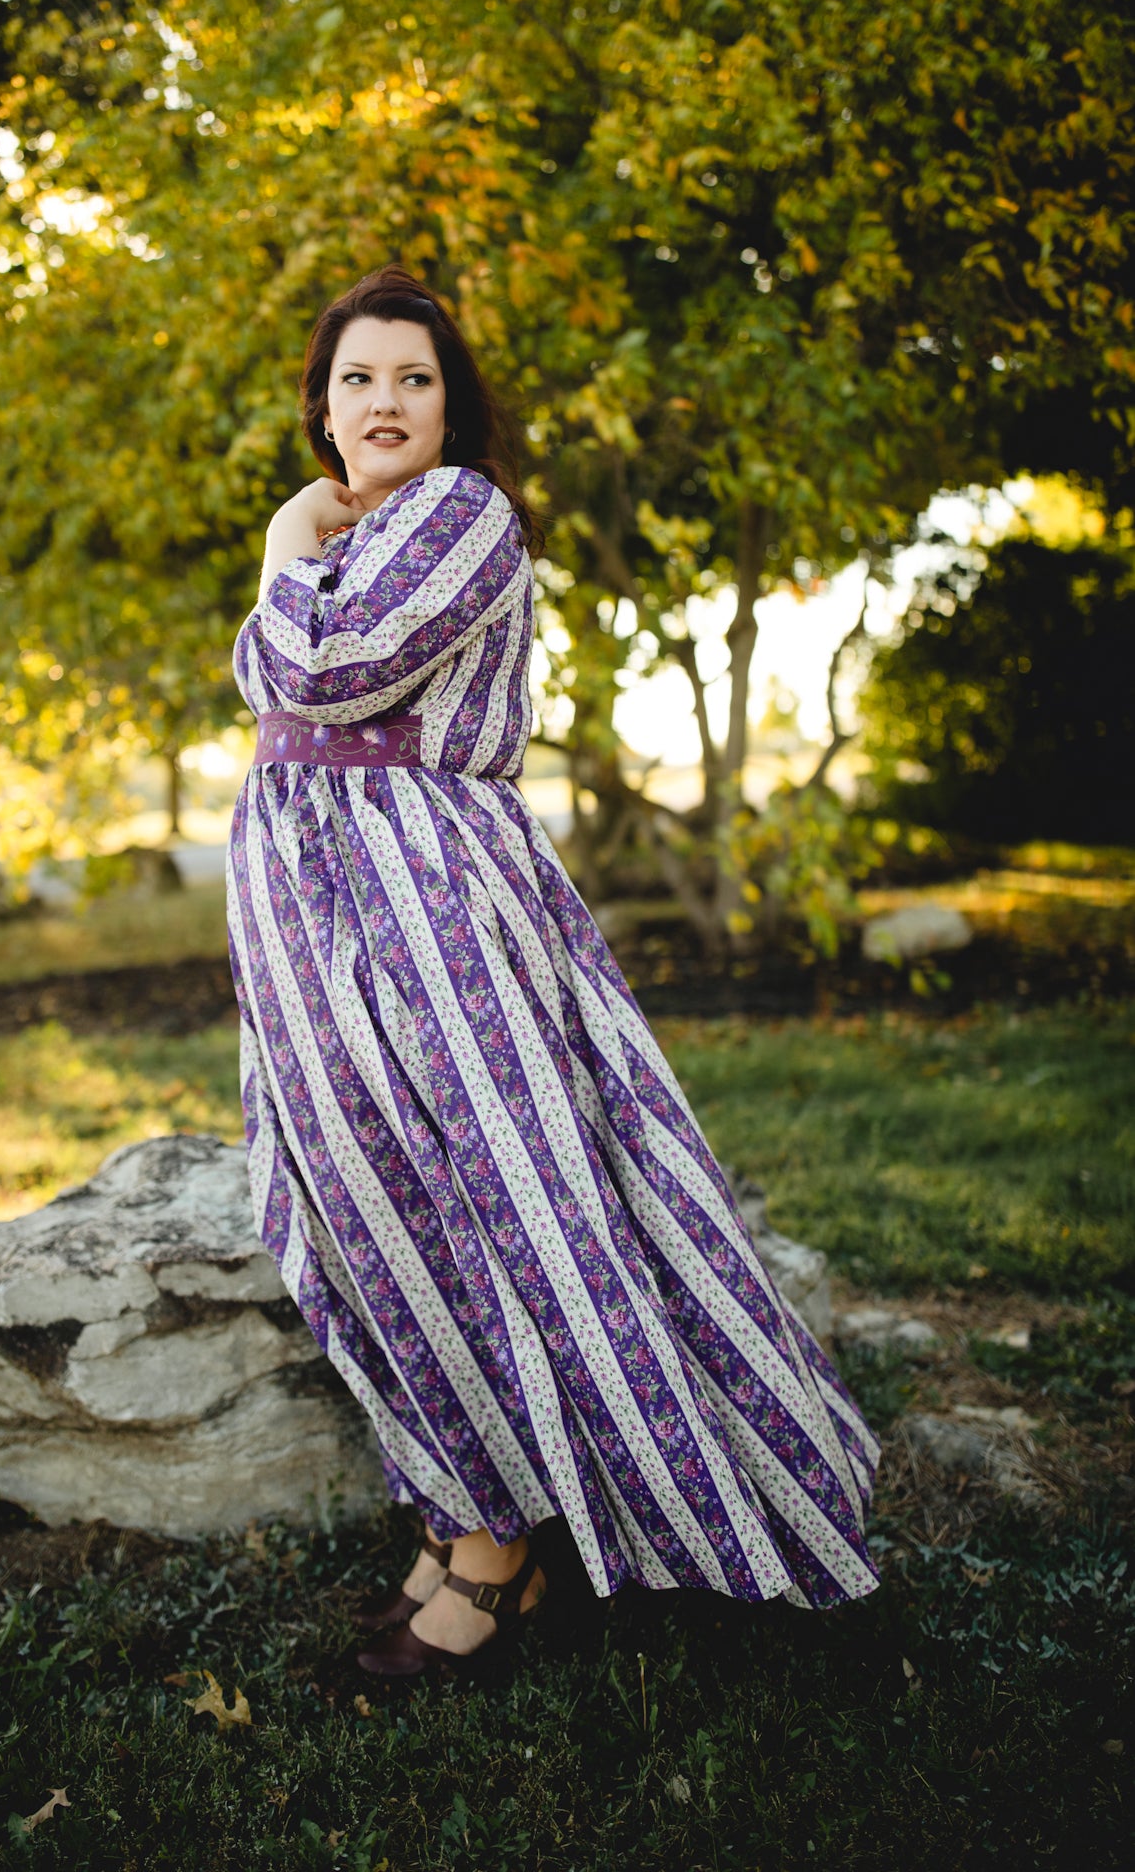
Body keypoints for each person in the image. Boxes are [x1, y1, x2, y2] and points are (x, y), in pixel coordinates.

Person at [225, 266, 879, 1681]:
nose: (384, 402)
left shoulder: (460, 516)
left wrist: (284, 546)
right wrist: (297, 581)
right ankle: (468, 1511)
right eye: (357, 379)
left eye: (412, 378)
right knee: (367, 1213)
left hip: (427, 900)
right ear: (322, 402)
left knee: (509, 1203)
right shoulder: (354, 539)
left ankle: (536, 1559)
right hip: (302, 904)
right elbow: (270, 677)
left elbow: (322, 678)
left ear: (449, 405)